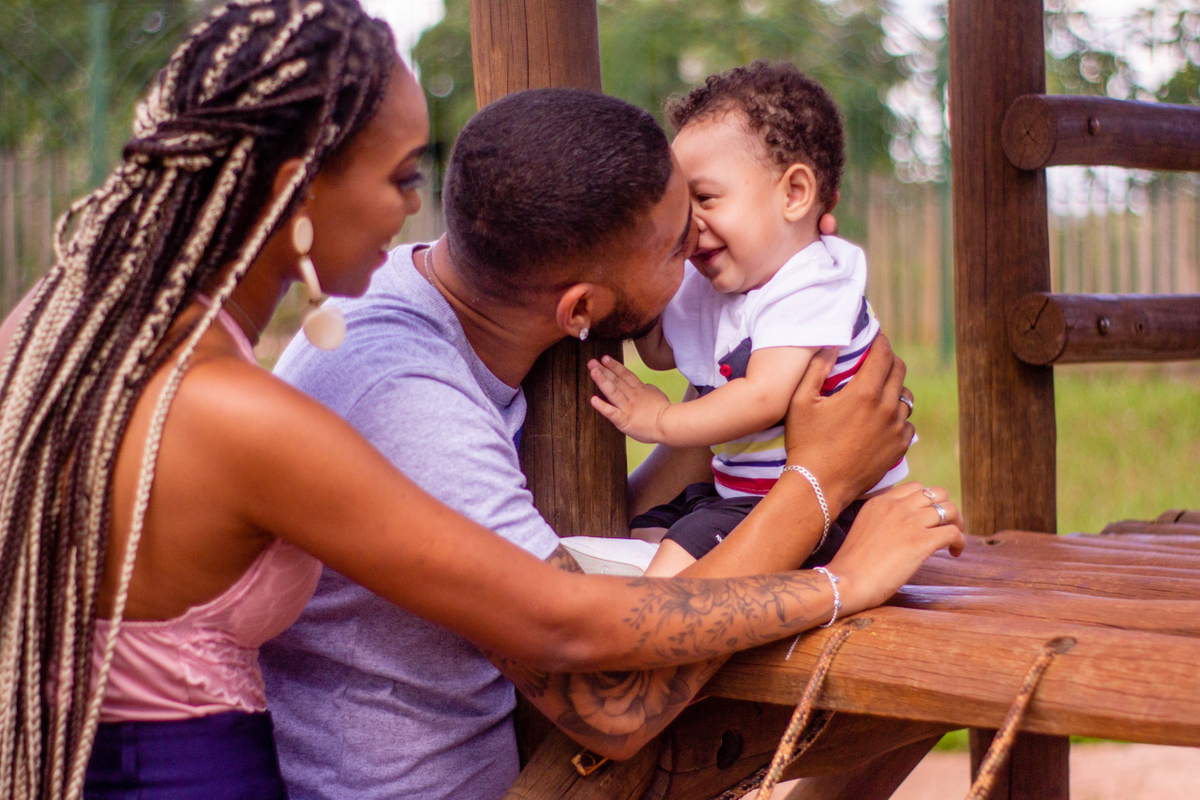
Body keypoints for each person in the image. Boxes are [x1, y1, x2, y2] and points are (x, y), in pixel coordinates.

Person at [0, 3, 963, 799]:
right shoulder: (343, 398)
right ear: (579, 309)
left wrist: (763, 416)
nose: (408, 208)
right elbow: (591, 666)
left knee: (895, 723)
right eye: (399, 177)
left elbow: (533, 566)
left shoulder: (125, 339)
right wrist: (820, 495)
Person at [261, 86, 962, 800]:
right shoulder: (411, 406)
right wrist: (822, 498)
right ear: (581, 311)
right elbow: (612, 705)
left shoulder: (477, 299)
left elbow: (571, 557)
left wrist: (760, 354)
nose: (696, 250)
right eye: (674, 248)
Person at [589, 61, 907, 578]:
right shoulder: (728, 277)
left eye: (706, 198)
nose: (690, 226)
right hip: (738, 493)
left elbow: (763, 398)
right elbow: (663, 351)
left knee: (666, 583)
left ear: (794, 194)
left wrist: (659, 420)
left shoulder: (812, 279)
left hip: (828, 508)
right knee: (642, 528)